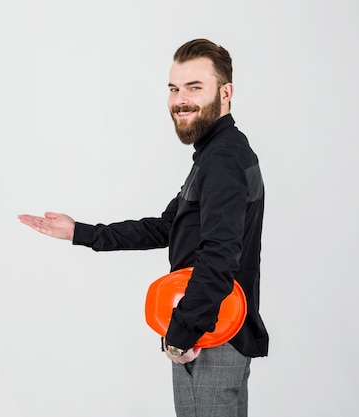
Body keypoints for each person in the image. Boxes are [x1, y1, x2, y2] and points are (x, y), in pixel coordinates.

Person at [18, 38, 268, 417]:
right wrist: (81, 232)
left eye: (195, 87)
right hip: (211, 330)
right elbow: (168, 226)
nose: (180, 99)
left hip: (210, 337)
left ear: (226, 92)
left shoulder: (224, 160)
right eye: (174, 88)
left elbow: (219, 257)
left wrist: (181, 337)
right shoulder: (217, 154)